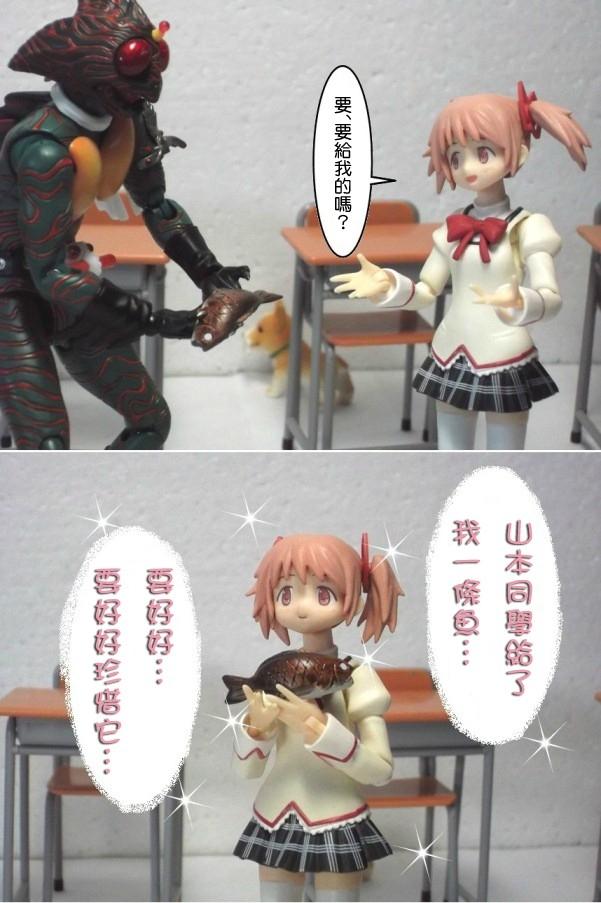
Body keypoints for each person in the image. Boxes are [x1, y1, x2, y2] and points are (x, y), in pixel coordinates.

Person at [0, 0, 274, 449]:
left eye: (156, 58)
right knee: (46, 449)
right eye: (134, 62)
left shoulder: (129, 118)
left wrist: (209, 273)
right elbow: (48, 272)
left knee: (151, 423)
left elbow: (157, 206)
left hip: (63, 283)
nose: (152, 83)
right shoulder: (43, 150)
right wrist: (159, 321)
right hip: (13, 291)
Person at [332, 83, 590, 450]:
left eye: (483, 153)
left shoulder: (528, 227)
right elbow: (426, 291)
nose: (467, 167)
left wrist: (522, 301)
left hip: (505, 353)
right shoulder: (451, 229)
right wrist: (389, 285)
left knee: (504, 457)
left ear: (518, 153)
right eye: (455, 157)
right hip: (450, 352)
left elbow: (551, 298)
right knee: (451, 454)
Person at [231, 533, 404, 902]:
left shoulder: (357, 677)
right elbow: (246, 770)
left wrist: (322, 730)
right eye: (286, 594)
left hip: (337, 815)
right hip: (277, 812)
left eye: (323, 594)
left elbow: (380, 771)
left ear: (353, 598)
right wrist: (257, 729)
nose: (302, 607)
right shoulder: (276, 673)